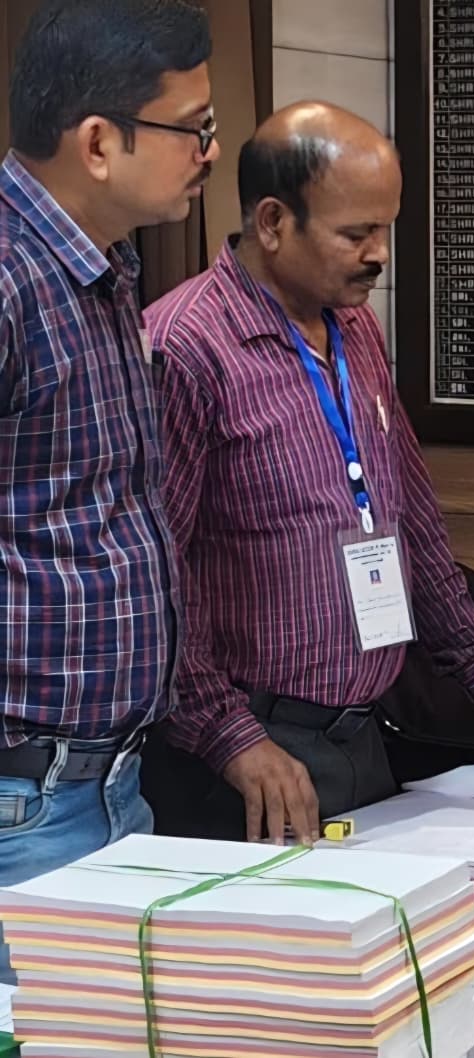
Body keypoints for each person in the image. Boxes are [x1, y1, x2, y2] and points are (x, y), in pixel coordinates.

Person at [141, 102, 474, 847]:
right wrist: (231, 737)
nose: (379, 254)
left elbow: (415, 525)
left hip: (364, 733)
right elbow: (155, 575)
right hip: (249, 754)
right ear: (273, 222)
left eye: (386, 230)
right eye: (355, 233)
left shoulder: (355, 326)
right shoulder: (184, 347)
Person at [0, 0, 217, 981]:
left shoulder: (105, 270)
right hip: (26, 806)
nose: (208, 151)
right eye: (192, 128)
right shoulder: (9, 279)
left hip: (118, 784)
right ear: (98, 142)